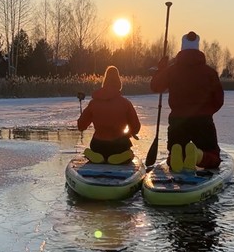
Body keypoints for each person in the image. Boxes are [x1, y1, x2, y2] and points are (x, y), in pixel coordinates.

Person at [150, 31, 224, 172]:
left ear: (182, 48)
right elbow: (219, 99)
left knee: (176, 150)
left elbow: (155, 86)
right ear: (198, 48)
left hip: (178, 121)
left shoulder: (171, 71)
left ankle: (176, 154)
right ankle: (198, 155)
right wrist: (207, 112)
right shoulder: (210, 73)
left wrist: (161, 70)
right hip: (203, 121)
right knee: (213, 157)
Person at [77, 65, 141, 164]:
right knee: (127, 151)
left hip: (98, 145)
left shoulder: (93, 103)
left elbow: (81, 126)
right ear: (119, 83)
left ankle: (95, 155)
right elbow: (136, 127)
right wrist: (129, 133)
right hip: (119, 145)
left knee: (97, 148)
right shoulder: (125, 103)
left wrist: (82, 120)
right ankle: (122, 156)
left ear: (105, 82)